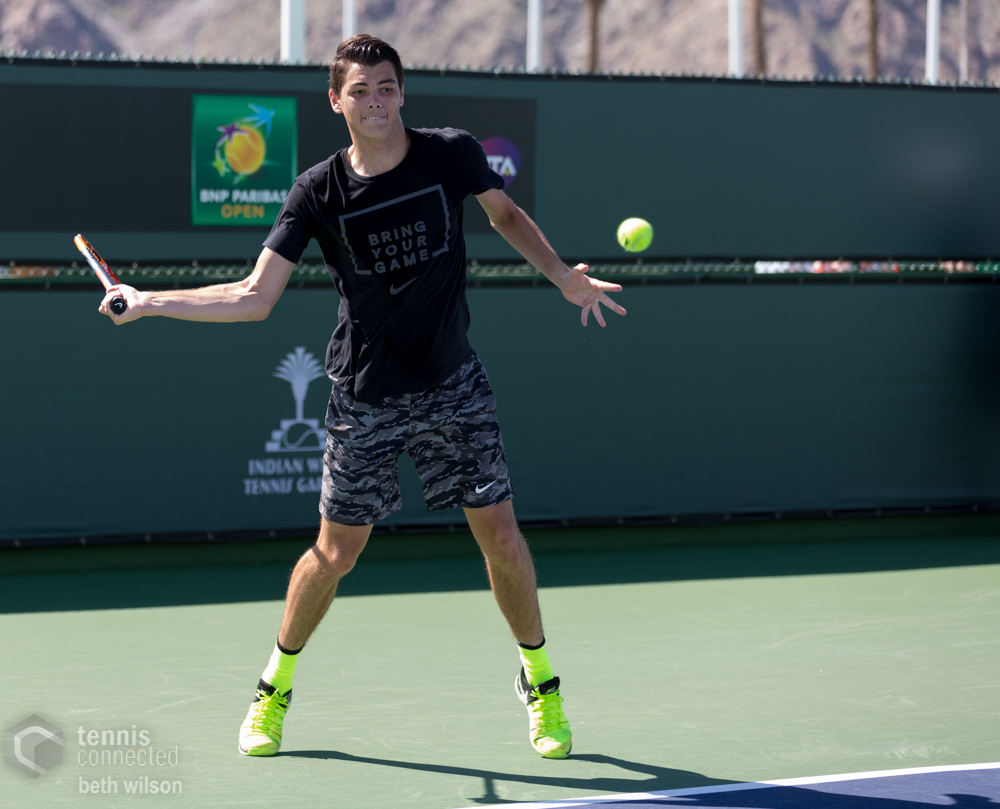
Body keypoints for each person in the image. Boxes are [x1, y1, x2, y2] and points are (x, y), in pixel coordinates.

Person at [99, 34, 626, 760]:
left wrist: (564, 275)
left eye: (386, 87)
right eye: (361, 90)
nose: (375, 101)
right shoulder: (318, 192)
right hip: (364, 398)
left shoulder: (450, 153)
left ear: (401, 91)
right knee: (334, 554)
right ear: (335, 101)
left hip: (453, 384)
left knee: (501, 538)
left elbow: (504, 217)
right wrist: (150, 300)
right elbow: (255, 297)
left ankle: (541, 682)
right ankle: (272, 688)